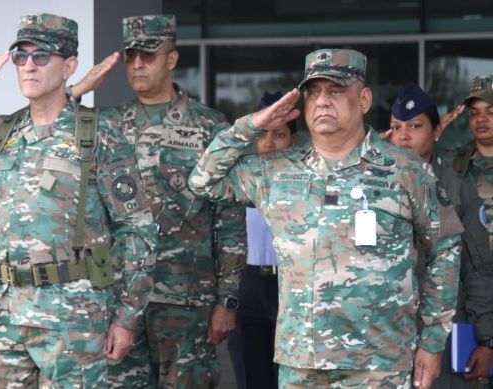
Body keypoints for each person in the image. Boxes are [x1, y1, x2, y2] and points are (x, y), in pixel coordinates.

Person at [0, 13, 158, 388]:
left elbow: (137, 230)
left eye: (42, 56)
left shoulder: (99, 135)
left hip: (73, 318)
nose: (28, 66)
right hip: (2, 315)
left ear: (69, 66)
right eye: (21, 56)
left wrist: (126, 316)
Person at [188, 48, 464, 389]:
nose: (322, 101)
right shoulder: (276, 171)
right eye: (313, 92)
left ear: (364, 100)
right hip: (301, 365)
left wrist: (433, 341)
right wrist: (251, 125)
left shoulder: (409, 171)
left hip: (380, 365)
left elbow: (447, 249)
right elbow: (202, 180)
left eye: (336, 91)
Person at [71, 13, 247, 389]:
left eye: (148, 55)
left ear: (171, 59)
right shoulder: (106, 124)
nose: (136, 64)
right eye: (131, 55)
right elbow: (51, 123)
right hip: (120, 301)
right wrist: (79, 89)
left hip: (186, 301)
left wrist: (226, 301)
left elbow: (230, 222)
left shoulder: (210, 127)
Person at [385, 83, 493, 388]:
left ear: (436, 132)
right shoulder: (368, 188)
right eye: (395, 127)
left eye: (415, 126)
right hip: (381, 339)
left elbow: (477, 270)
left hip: (443, 335)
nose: (403, 135)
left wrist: (487, 338)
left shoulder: (456, 191)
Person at [227, 91, 298, 389]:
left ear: (294, 140)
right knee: (251, 377)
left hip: (291, 286)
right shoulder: (240, 181)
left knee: (294, 378)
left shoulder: (307, 182)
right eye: (263, 135)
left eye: (279, 135)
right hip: (249, 286)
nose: (269, 143)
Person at [444, 76, 493, 253]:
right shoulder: (453, 161)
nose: (481, 119)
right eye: (474, 113)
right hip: (469, 277)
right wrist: (432, 131)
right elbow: (407, 166)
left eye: (490, 112)